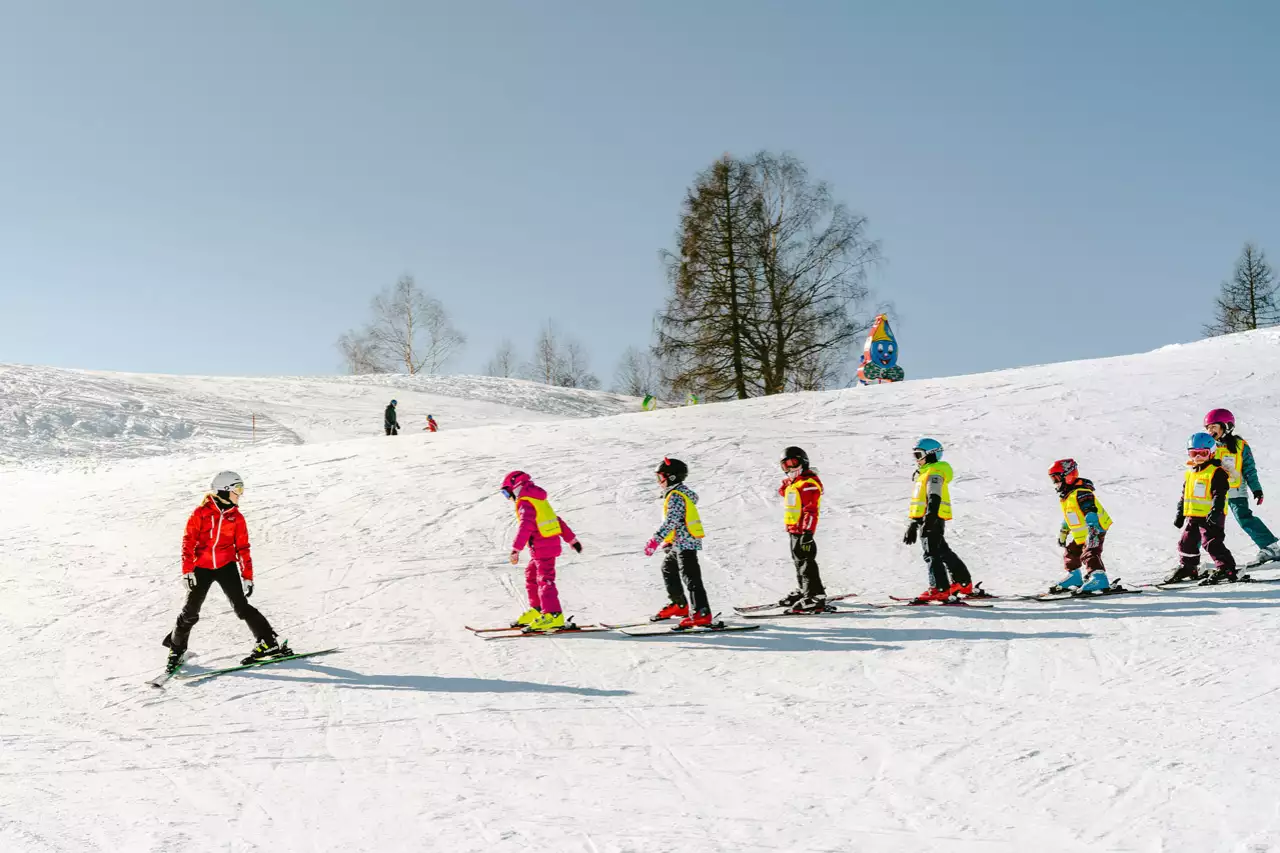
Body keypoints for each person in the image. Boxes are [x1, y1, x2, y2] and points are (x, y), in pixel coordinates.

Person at [162, 472, 291, 672]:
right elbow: (189, 542)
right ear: (225, 490)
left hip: (226, 566)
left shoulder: (236, 517)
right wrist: (187, 571)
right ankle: (176, 650)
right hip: (201, 568)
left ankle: (268, 642)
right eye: (237, 489)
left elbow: (243, 548)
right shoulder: (201, 513)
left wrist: (247, 576)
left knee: (242, 607)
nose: (240, 494)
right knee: (190, 612)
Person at [502, 471, 582, 633]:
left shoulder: (525, 502)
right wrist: (571, 540)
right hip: (542, 546)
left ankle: (553, 615)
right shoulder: (538, 500)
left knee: (545, 579)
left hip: (543, 547)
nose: (507, 497)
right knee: (531, 574)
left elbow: (526, 526)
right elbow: (556, 520)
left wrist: (516, 549)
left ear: (514, 487)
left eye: (506, 492)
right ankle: (538, 609)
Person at [1204, 408, 1280, 566]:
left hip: (1236, 491)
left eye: (1214, 427)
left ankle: (1271, 547)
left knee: (1244, 518)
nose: (1210, 431)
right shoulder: (1207, 446)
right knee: (1204, 521)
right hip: (1214, 493)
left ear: (1226, 427)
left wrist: (1256, 489)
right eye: (1208, 428)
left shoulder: (1240, 446)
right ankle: (1191, 556)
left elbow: (1249, 469)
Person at [645, 457, 714, 629]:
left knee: (691, 577)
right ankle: (680, 605)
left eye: (661, 477)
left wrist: (656, 540)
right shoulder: (674, 494)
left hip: (686, 544)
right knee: (668, 568)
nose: (659, 481)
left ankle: (701, 612)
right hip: (678, 543)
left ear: (672, 477)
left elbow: (671, 521)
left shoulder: (676, 496)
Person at [902, 438, 974, 602]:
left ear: (932, 455)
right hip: (928, 517)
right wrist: (914, 522)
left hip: (932, 517)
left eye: (919, 454)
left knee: (932, 553)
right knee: (942, 551)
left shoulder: (934, 472)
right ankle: (962, 582)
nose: (917, 459)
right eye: (915, 455)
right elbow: (921, 500)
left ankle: (939, 588)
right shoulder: (926, 472)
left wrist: (930, 518)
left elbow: (934, 496)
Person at [1167, 432, 1237, 584]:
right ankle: (1189, 567)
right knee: (1186, 542)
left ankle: (1226, 568)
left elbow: (1220, 494)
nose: (1197, 457)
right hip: (1193, 515)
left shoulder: (1216, 472)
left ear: (1211, 452)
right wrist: (1180, 514)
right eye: (1194, 453)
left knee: (1211, 542)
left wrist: (1216, 511)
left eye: (1202, 453)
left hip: (1211, 516)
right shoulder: (1190, 473)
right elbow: (1184, 495)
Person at [1047, 459, 1113, 594]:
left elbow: (1090, 512)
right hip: (1081, 534)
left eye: (1057, 478)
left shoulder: (1082, 492)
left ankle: (1099, 578)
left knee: (1090, 553)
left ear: (1069, 475)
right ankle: (1075, 577)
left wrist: (1093, 530)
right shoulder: (1067, 496)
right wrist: (1063, 532)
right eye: (1052, 479)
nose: (1055, 482)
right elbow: (1070, 516)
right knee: (1071, 552)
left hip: (1095, 529)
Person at [776, 446, 827, 612]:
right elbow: (783, 491)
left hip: (804, 532)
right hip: (794, 530)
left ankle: (815, 596)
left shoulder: (808, 484)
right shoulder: (796, 483)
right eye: (785, 465)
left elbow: (811, 510)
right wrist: (789, 480)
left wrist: (808, 533)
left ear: (803, 462)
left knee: (806, 563)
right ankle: (805, 590)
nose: (790, 468)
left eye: (793, 463)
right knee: (799, 562)